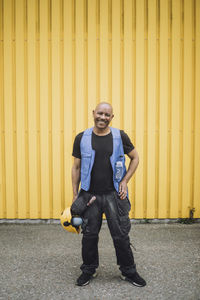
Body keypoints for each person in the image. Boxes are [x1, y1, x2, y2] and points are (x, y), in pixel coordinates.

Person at [71, 102, 146, 287]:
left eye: (107, 115)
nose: (102, 117)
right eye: (100, 113)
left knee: (120, 235)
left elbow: (135, 158)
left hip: (114, 195)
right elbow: (77, 167)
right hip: (90, 196)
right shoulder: (82, 137)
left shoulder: (120, 136)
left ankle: (128, 271)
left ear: (112, 117)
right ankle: (88, 270)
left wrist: (125, 180)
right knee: (89, 236)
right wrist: (75, 194)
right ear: (93, 113)